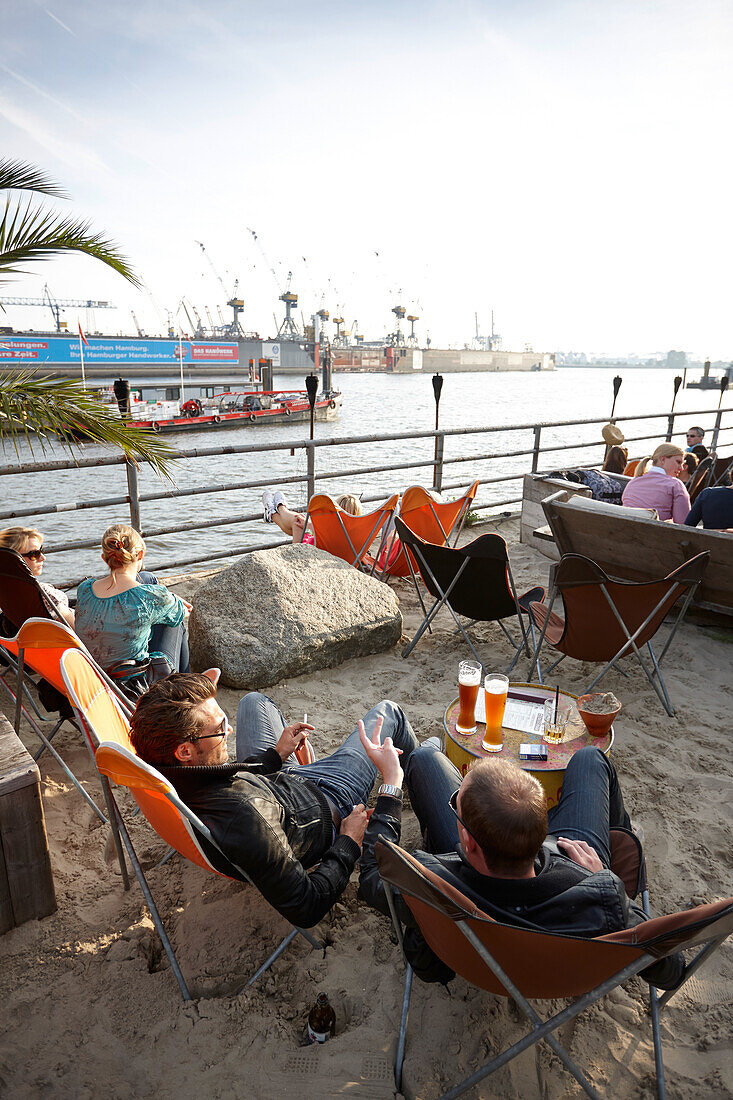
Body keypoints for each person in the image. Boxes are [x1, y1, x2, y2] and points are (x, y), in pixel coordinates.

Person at [357, 732, 686, 990]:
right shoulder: (602, 896)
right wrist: (603, 877)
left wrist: (390, 785)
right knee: (590, 758)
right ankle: (622, 837)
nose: (455, 804)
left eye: (456, 802)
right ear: (541, 832)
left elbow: (372, 874)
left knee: (426, 758)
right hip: (565, 877)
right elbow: (671, 971)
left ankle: (428, 749)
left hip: (469, 930)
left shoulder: (428, 880)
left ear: (468, 841)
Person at [129, 673, 419, 927]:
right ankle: (424, 775)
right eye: (220, 727)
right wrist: (348, 841)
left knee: (253, 701)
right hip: (330, 798)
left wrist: (275, 757)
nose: (228, 730)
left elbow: (222, 779)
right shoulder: (245, 815)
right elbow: (307, 905)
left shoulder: (168, 774)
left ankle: (293, 759)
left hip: (281, 784)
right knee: (389, 712)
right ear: (185, 751)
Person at [75, 524, 190, 687]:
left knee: (146, 578)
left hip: (96, 678)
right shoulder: (147, 597)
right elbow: (183, 611)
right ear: (141, 554)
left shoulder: (85, 589)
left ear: (104, 557)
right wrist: (166, 599)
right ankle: (187, 690)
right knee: (174, 623)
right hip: (133, 684)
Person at [0, 526, 74, 628]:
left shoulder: (5, 590)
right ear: (14, 560)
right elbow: (79, 630)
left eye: (41, 550)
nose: (43, 557)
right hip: (59, 639)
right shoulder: (43, 594)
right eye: (34, 554)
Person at [261, 490, 362, 545]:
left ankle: (279, 509)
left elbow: (319, 539)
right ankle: (274, 512)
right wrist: (310, 525)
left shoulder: (331, 534)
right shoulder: (361, 534)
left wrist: (309, 526)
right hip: (343, 558)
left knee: (297, 523)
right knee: (300, 521)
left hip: (313, 556)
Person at [621, 444, 691, 522]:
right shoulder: (675, 485)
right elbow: (684, 523)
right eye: (678, 462)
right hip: (656, 532)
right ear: (663, 459)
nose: (681, 468)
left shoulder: (633, 482)